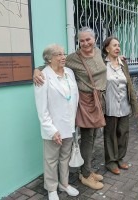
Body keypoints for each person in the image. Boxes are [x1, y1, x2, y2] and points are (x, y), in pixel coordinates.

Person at [33, 27, 106, 190]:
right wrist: (36, 70)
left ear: (94, 39)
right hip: (86, 103)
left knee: (93, 137)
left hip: (98, 101)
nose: (85, 43)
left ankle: (83, 172)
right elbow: (48, 62)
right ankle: (84, 174)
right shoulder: (73, 58)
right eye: (82, 40)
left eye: (88, 39)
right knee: (86, 138)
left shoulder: (98, 52)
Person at [34, 44, 79, 200]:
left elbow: (74, 98)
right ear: (49, 58)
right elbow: (42, 108)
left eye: (63, 53)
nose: (63, 57)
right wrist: (51, 130)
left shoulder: (69, 73)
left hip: (68, 124)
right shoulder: (42, 77)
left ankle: (64, 184)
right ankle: (51, 188)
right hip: (53, 126)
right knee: (51, 159)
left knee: (64, 157)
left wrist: (73, 122)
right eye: (58, 54)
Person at [101, 36, 138, 175]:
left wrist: (133, 103)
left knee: (123, 133)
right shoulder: (102, 64)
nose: (118, 48)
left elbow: (128, 82)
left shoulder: (123, 63)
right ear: (107, 48)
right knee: (110, 134)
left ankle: (120, 158)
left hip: (124, 104)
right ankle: (111, 162)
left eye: (118, 45)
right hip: (110, 105)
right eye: (114, 45)